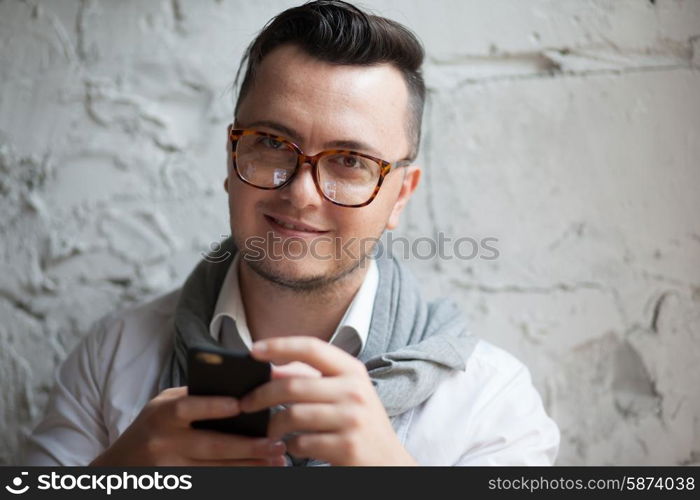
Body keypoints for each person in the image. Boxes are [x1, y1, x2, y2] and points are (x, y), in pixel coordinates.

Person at [22, 0, 560, 466]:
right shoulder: (112, 359)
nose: (302, 193)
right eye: (272, 143)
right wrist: (114, 476)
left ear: (400, 194)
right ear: (232, 157)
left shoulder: (492, 402)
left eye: (350, 160)